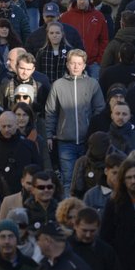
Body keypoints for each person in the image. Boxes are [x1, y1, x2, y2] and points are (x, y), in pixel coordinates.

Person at [44, 50, 105, 196]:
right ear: (67, 64)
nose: (76, 67)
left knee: (89, 179)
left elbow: (100, 109)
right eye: (73, 63)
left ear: (84, 65)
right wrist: (49, 134)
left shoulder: (93, 84)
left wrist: (93, 130)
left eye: (79, 63)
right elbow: (51, 111)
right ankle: (68, 213)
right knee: (68, 180)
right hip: (66, 141)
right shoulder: (58, 85)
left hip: (87, 141)